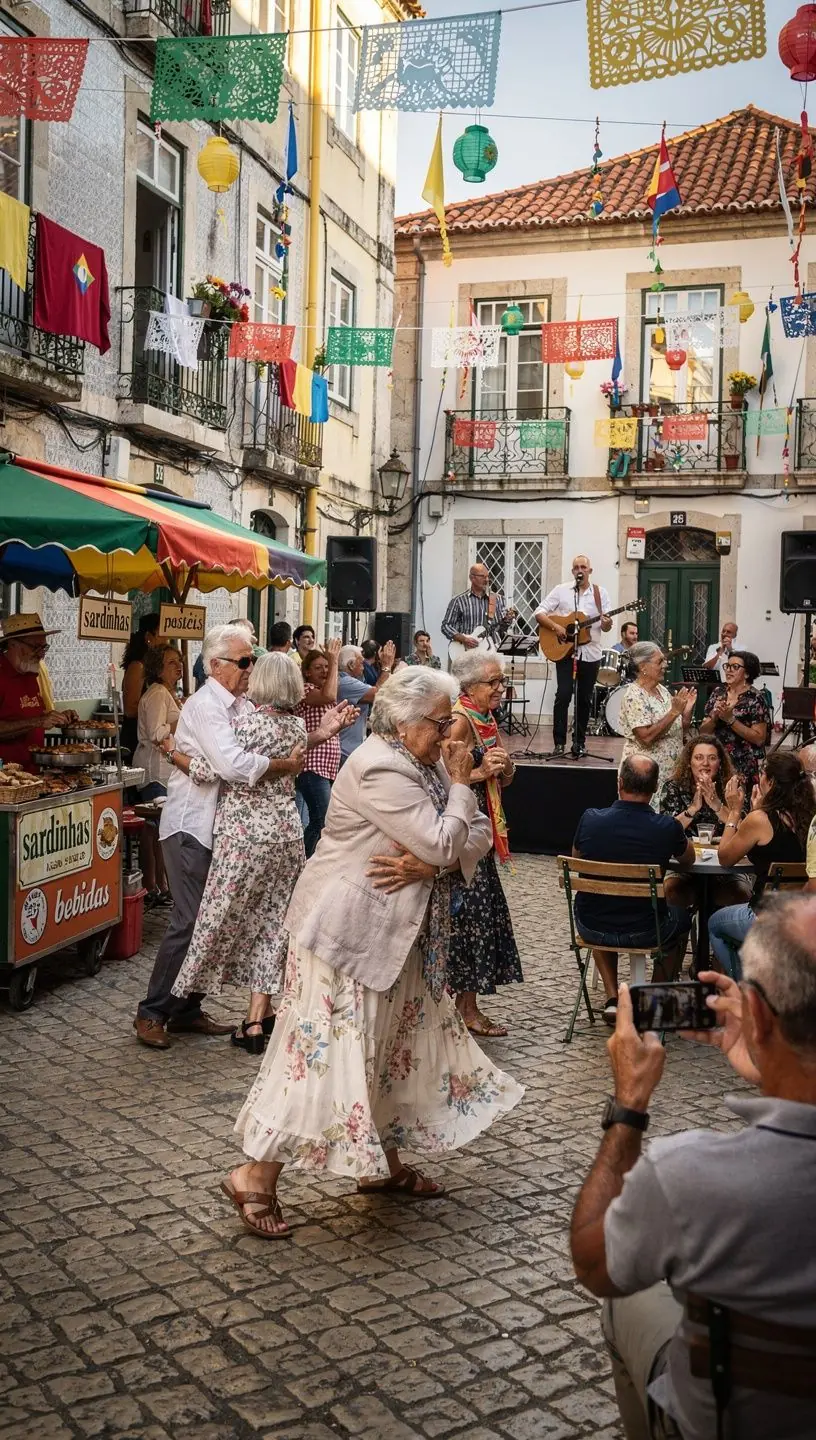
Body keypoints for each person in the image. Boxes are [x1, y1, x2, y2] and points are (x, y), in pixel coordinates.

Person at [221, 667, 525, 1238]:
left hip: (400, 937)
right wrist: (450, 818)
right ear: (405, 721)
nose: (449, 734)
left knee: (390, 1051)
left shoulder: (424, 758)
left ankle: (380, 1164)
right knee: (320, 1059)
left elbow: (475, 835)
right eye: (439, 722)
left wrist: (435, 854)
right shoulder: (381, 766)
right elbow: (442, 838)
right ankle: (253, 1176)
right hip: (347, 936)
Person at [570, 894, 816, 1440]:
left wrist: (628, 1108)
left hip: (727, 1422)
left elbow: (592, 1262)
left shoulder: (688, 1173)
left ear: (757, 1015)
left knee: (627, 1299)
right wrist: (771, 1072)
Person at [134, 623, 347, 1050]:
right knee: (193, 920)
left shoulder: (242, 705)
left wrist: (309, 739)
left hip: (229, 831)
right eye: (244, 660)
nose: (250, 667)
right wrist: (286, 764)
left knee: (220, 919)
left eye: (253, 660)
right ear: (215, 665)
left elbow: (269, 740)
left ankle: (188, 1008)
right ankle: (152, 1012)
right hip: (192, 825)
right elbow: (232, 764)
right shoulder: (205, 706)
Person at [169, 654, 313, 1055]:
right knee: (273, 926)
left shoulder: (243, 725)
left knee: (216, 917)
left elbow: (216, 770)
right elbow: (288, 766)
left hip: (243, 836)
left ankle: (178, 997)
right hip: (286, 835)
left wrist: (173, 754)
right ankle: (254, 1020)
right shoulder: (298, 726)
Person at [572, 755, 694, 1025]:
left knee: (597, 901)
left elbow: (577, 856)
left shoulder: (591, 819)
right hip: (647, 928)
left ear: (620, 783)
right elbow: (689, 860)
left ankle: (613, 998)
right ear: (654, 789)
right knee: (682, 918)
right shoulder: (667, 827)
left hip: (592, 926)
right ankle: (654, 1000)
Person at [448, 650, 523, 1037]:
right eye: (492, 682)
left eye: (500, 681)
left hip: (483, 827)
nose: (499, 688)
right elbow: (446, 778)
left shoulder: (485, 718)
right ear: (469, 686)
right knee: (469, 919)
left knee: (478, 917)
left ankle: (465, 1006)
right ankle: (465, 1010)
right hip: (464, 831)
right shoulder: (460, 721)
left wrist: (504, 769)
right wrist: (480, 772)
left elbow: (501, 776)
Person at [707, 749, 815, 978]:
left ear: (771, 781)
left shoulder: (761, 819)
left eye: (762, 775)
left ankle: (743, 988)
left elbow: (725, 858)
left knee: (715, 924)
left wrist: (735, 812)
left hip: (765, 915)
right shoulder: (809, 815)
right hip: (800, 912)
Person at [535, 555, 613, 758]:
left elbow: (606, 625)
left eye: (584, 567)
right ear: (573, 571)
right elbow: (539, 612)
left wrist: (606, 623)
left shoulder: (600, 593)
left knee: (584, 699)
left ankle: (579, 742)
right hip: (565, 651)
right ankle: (559, 742)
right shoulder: (561, 590)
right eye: (576, 567)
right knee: (563, 695)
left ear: (590, 570)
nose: (580, 570)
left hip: (591, 653)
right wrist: (556, 626)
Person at [660, 737, 749, 911]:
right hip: (684, 863)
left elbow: (745, 829)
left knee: (739, 894)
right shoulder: (673, 786)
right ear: (689, 762)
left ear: (720, 763)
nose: (705, 763)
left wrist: (717, 806)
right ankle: (677, 935)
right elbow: (665, 831)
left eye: (712, 758)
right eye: (699, 757)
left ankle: (722, 934)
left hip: (727, 866)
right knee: (672, 892)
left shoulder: (732, 788)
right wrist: (692, 809)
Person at [133, 644, 183, 906]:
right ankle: (151, 885)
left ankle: (162, 883)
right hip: (155, 772)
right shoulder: (157, 694)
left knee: (162, 830)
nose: (178, 666)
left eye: (179, 661)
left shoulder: (167, 693)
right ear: (158, 668)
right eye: (171, 662)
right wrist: (180, 722)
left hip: (165, 772)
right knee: (152, 832)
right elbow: (155, 733)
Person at [617, 642, 696, 805]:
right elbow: (646, 738)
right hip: (645, 777)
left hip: (670, 773)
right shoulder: (634, 696)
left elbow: (676, 729)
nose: (665, 665)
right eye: (660, 661)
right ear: (643, 666)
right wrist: (674, 712)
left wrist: (685, 712)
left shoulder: (662, 690)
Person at [0, 614, 77, 770]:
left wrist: (58, 717)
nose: (42, 653)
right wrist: (37, 721)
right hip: (5, 779)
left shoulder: (30, 673)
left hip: (31, 772)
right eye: (36, 647)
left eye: (44, 647)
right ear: (13, 644)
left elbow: (32, 715)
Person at [296, 638, 343, 856]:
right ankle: (304, 861)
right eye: (318, 668)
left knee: (321, 818)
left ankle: (305, 860)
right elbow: (329, 696)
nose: (324, 671)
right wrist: (334, 661)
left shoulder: (324, 685)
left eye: (326, 667)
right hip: (311, 766)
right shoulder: (306, 689)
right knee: (321, 819)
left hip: (325, 767)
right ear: (307, 673)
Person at [699, 649, 768, 793]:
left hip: (743, 764)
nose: (729, 670)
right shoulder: (718, 692)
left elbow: (759, 739)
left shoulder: (755, 698)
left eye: (735, 667)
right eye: (727, 666)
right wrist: (715, 716)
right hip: (716, 760)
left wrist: (730, 720)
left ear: (747, 673)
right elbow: (703, 732)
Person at [336, 641, 396, 763]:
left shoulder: (354, 679)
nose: (364, 665)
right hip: (345, 750)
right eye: (361, 662)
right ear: (351, 665)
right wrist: (387, 666)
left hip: (350, 748)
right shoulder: (345, 682)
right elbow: (379, 693)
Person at [441, 563, 516, 653]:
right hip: (466, 652)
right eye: (482, 576)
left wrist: (507, 621)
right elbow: (446, 626)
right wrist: (463, 639)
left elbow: (501, 629)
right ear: (471, 578)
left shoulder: (498, 599)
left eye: (488, 576)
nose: (487, 580)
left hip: (491, 651)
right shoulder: (458, 601)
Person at [121, 613, 163, 754]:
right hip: (136, 738)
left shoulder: (154, 668)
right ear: (148, 638)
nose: (167, 639)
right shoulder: (138, 666)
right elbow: (130, 709)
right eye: (161, 633)